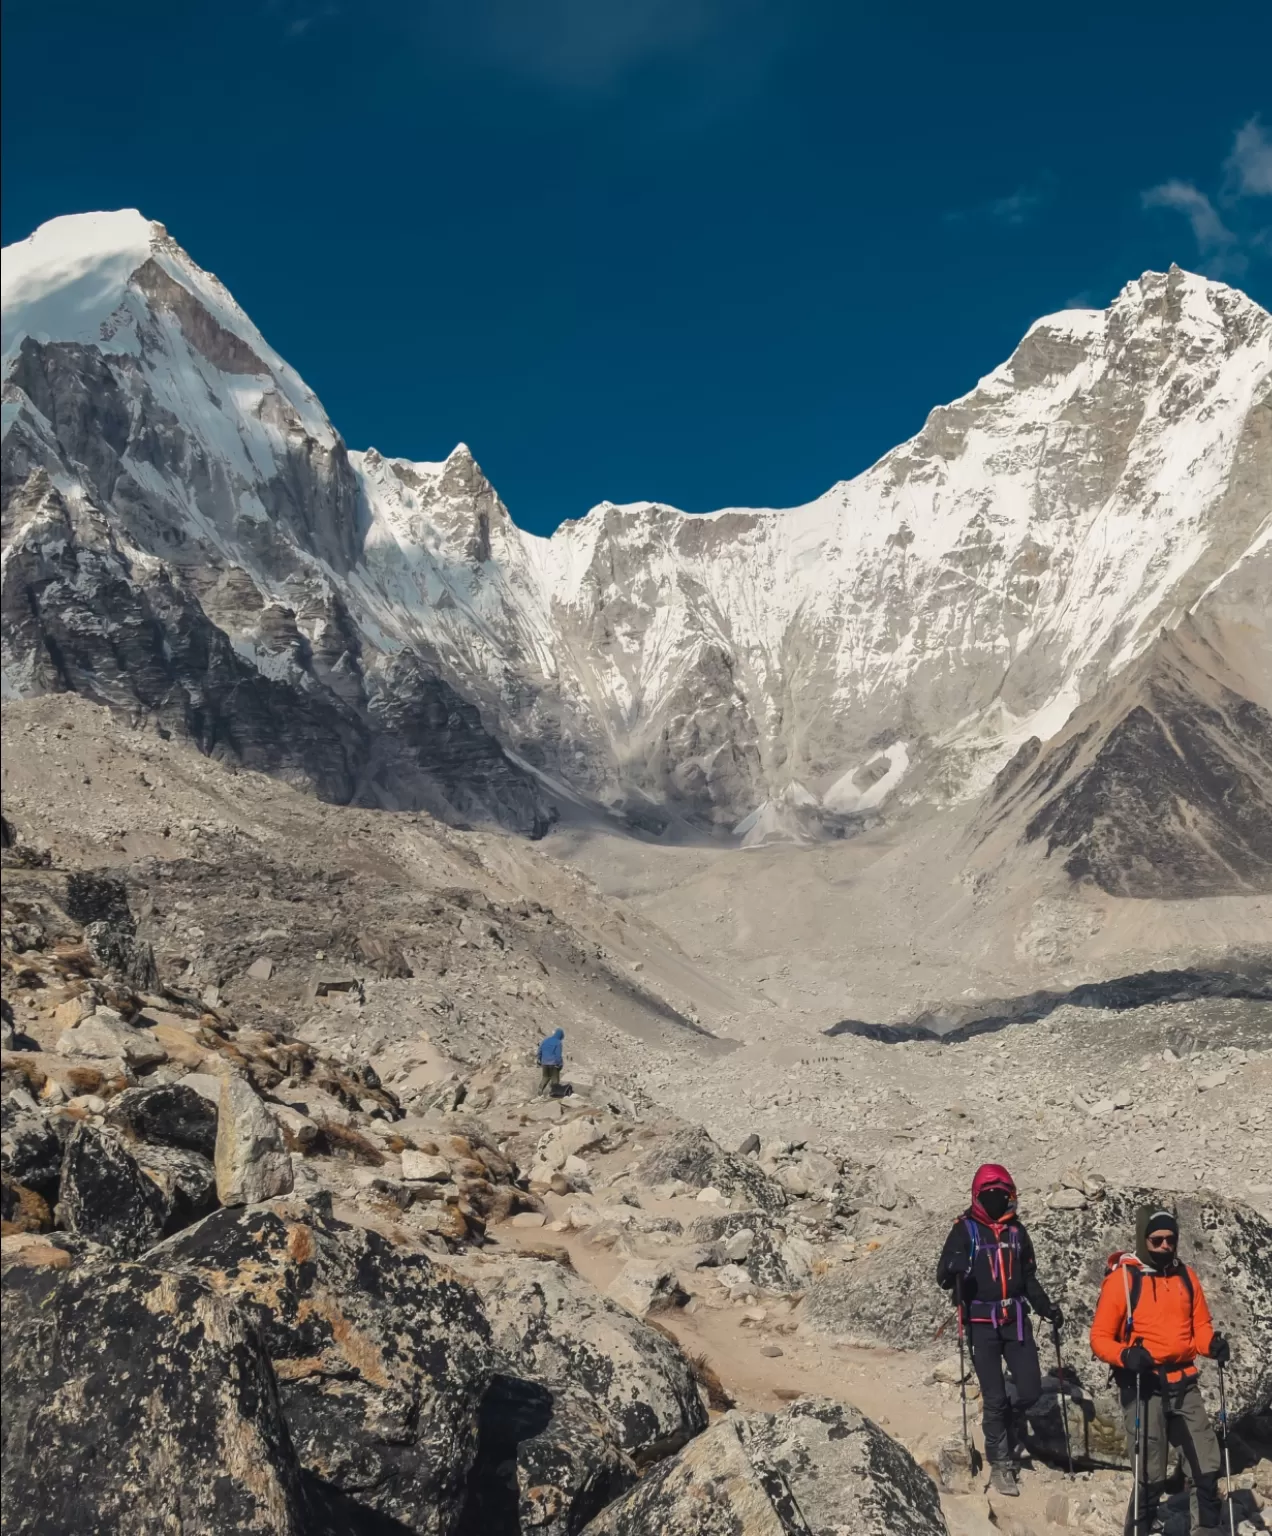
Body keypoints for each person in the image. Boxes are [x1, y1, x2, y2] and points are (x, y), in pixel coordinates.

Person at [1090, 1207, 1230, 1536]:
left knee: (1206, 1464)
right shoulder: (1123, 1280)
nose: (1166, 1246)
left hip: (1184, 1384)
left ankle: (1206, 1529)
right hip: (1143, 1385)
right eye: (1157, 1240)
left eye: (1171, 1239)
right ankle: (1139, 1528)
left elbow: (1200, 1328)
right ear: (1143, 1241)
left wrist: (1213, 1345)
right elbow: (1099, 1338)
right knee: (1151, 1471)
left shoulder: (1187, 1276)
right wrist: (1125, 1355)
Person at [937, 1163, 1063, 1497]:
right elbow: (944, 1275)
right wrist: (954, 1267)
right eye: (992, 1195)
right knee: (994, 1399)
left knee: (1032, 1390)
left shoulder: (1018, 1233)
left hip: (1017, 1322)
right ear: (979, 1197)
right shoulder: (964, 1230)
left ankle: (1008, 1425)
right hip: (981, 1325)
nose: (998, 1200)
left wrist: (1046, 1308)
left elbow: (1029, 1278)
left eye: (1002, 1194)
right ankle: (1001, 1463)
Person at [536, 1027, 565, 1095]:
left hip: (545, 1062)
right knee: (555, 1079)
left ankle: (540, 1091)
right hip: (553, 1063)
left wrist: (539, 1059)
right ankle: (554, 1094)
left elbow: (540, 1050)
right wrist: (560, 1064)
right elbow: (558, 1055)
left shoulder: (546, 1040)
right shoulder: (558, 1042)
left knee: (545, 1077)